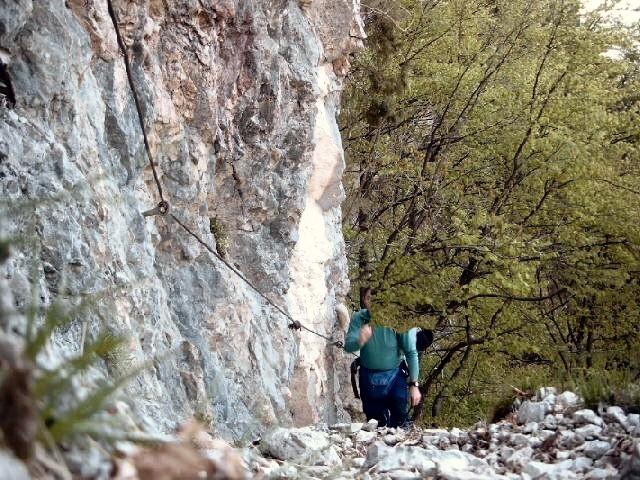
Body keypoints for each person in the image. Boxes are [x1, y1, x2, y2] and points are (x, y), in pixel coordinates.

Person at [344, 286, 433, 427]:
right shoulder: (359, 318)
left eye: (376, 299)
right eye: (368, 298)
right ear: (364, 300)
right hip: (368, 378)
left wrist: (414, 385)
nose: (372, 302)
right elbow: (348, 347)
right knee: (375, 421)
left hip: (395, 376)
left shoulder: (396, 320)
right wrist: (360, 340)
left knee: (399, 419)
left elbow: (411, 352)